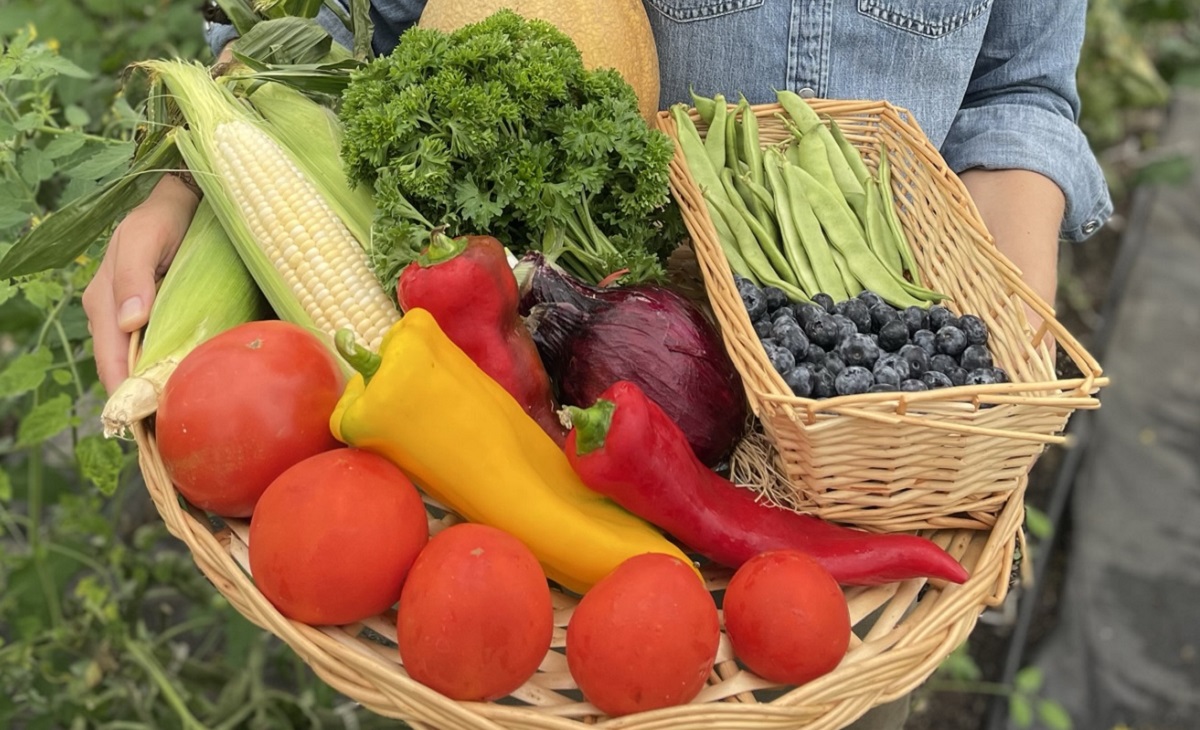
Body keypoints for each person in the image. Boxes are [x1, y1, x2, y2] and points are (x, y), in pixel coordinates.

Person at [80, 2, 1113, 727]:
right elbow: (339, 24)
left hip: (879, 457)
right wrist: (186, 178)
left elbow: (1019, 92)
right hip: (582, 378)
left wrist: (990, 368)